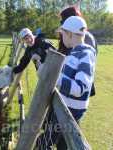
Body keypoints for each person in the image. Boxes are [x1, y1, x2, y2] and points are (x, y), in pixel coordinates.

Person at [38, 16, 97, 150]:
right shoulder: (72, 53)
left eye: (62, 34)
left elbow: (79, 88)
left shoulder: (86, 54)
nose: (61, 37)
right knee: (57, 142)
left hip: (70, 110)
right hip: (63, 106)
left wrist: (52, 77)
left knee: (43, 142)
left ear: (70, 34)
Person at [58, 6, 97, 96]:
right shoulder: (70, 37)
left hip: (75, 87)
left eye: (62, 20)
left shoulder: (85, 39)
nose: (61, 23)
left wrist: (56, 78)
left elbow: (84, 64)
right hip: (67, 85)